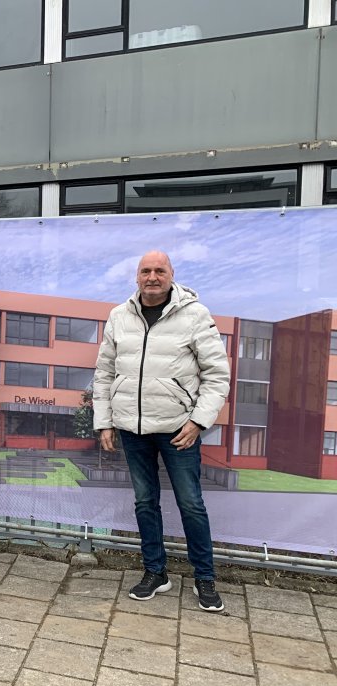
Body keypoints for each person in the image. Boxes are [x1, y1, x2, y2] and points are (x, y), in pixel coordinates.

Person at [93, 250, 230, 611]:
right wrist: (104, 420)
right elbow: (104, 372)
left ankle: (205, 577)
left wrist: (198, 420)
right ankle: (156, 572)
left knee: (191, 504)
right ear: (136, 277)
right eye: (145, 271)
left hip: (177, 430)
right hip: (132, 429)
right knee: (144, 502)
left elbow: (217, 374)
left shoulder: (195, 315)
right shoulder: (119, 316)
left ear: (171, 274)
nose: (152, 276)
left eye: (159, 270)